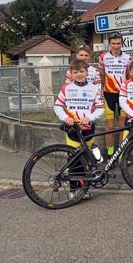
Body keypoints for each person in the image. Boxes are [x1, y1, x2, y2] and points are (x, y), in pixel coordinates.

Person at [53, 59, 104, 198]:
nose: (79, 74)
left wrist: (90, 117)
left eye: (81, 71)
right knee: (73, 160)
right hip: (73, 129)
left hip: (88, 128)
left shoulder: (94, 88)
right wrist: (65, 118)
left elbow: (100, 109)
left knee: (86, 161)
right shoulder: (66, 88)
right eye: (76, 72)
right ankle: (73, 190)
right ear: (71, 73)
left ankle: (83, 189)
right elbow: (57, 106)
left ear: (87, 72)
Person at [98, 32, 133, 161]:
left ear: (122, 43)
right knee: (110, 126)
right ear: (109, 44)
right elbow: (101, 74)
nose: (116, 46)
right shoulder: (103, 57)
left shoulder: (128, 58)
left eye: (118, 43)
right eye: (113, 43)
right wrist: (106, 86)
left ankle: (122, 154)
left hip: (123, 95)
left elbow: (129, 76)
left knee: (123, 126)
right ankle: (110, 154)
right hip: (109, 95)